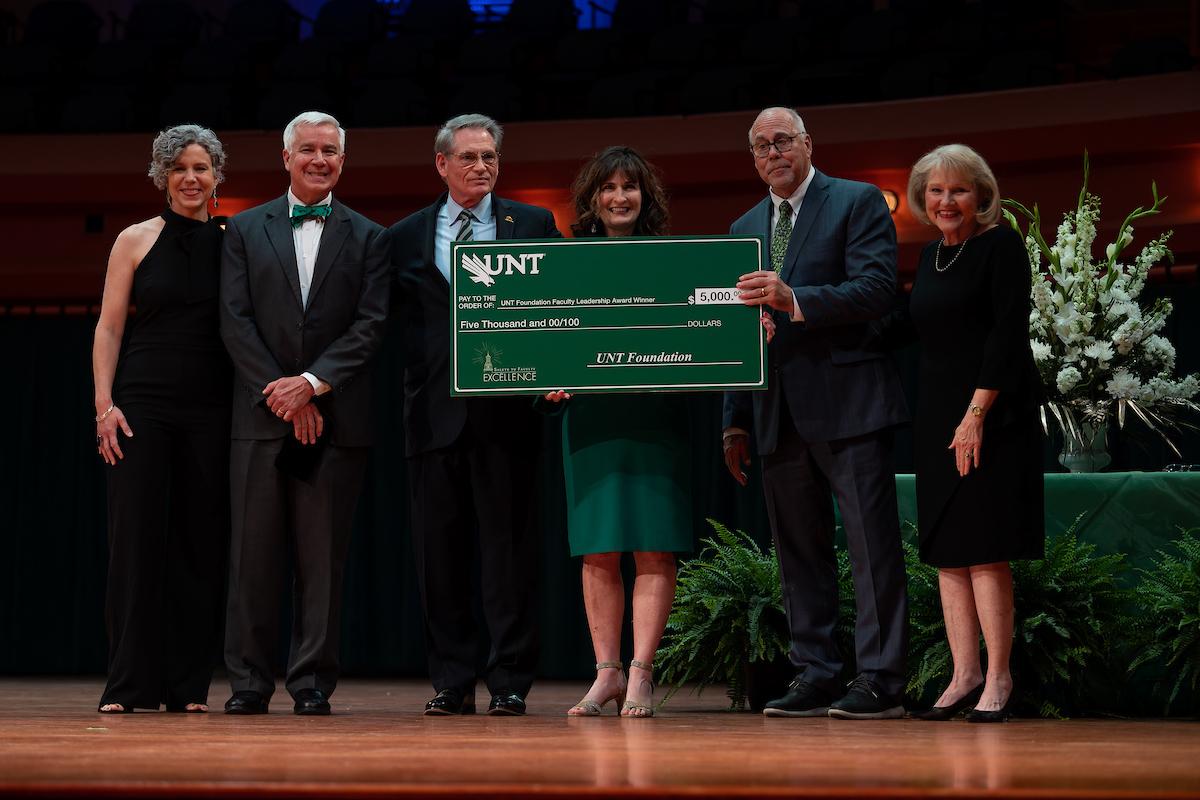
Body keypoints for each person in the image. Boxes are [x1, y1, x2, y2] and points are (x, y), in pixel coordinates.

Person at [722, 107, 910, 720]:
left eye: (783, 141)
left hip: (851, 405)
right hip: (775, 413)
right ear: (752, 158)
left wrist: (796, 300)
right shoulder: (744, 225)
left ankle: (880, 680)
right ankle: (817, 673)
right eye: (760, 146)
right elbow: (734, 328)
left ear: (808, 144)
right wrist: (735, 419)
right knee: (798, 551)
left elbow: (880, 289)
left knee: (869, 547)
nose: (773, 152)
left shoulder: (855, 202)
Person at [388, 113, 561, 716]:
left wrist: (555, 378)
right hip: (432, 422)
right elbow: (382, 327)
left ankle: (510, 679)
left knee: (509, 558)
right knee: (441, 560)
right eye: (469, 157)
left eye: (490, 157)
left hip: (509, 422)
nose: (482, 167)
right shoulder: (404, 236)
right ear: (442, 164)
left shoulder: (533, 223)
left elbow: (558, 310)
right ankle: (451, 680)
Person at [219, 111, 391, 716]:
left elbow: (370, 326)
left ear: (344, 161)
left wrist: (313, 386)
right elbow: (234, 321)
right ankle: (247, 682)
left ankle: (312, 680)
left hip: (336, 420)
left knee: (322, 564)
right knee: (252, 558)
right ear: (285, 156)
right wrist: (284, 393)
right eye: (309, 150)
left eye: (332, 151)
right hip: (261, 420)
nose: (321, 160)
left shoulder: (372, 236)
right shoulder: (240, 229)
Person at [541, 146, 688, 718]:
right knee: (598, 549)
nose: (620, 197)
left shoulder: (676, 257)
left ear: (645, 198)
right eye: (609, 188)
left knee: (654, 546)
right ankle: (605, 674)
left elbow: (701, 331)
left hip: (657, 417)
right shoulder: (566, 259)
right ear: (592, 199)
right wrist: (545, 382)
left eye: (631, 187)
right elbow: (545, 335)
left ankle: (642, 674)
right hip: (592, 420)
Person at [92, 124, 230, 713]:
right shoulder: (133, 239)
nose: (191, 178)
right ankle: (128, 685)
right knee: (136, 543)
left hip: (211, 408)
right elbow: (109, 327)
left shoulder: (235, 241)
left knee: (199, 544)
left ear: (216, 176)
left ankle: (187, 686)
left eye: (201, 168)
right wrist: (105, 405)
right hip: (140, 406)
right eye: (179, 169)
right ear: (162, 176)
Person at [903, 144, 1044, 723]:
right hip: (938, 415)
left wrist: (977, 414)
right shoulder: (930, 257)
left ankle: (1000, 677)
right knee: (948, 552)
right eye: (936, 191)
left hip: (992, 415)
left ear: (981, 195)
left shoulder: (1001, 246)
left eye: (958, 189)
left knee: (984, 549)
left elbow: (1008, 336)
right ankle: (964, 674)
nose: (946, 201)